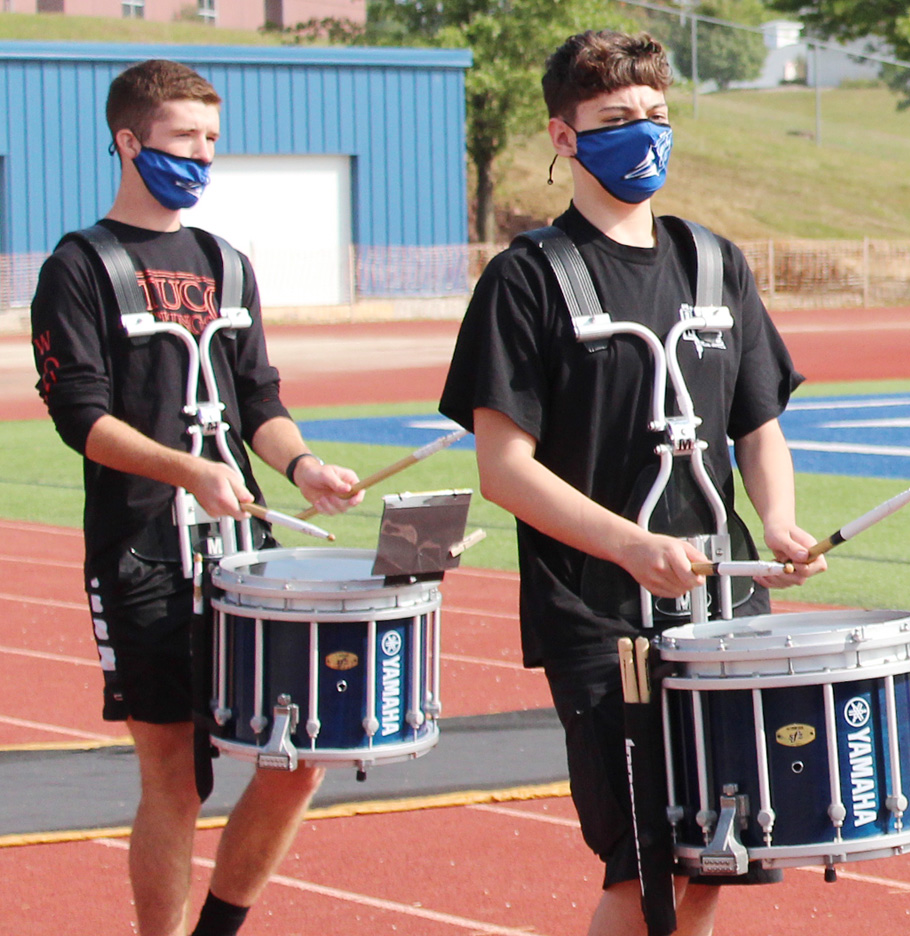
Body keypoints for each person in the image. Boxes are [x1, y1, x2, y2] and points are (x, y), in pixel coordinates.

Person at [439, 30, 827, 936]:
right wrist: (631, 546)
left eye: (656, 116)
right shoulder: (527, 279)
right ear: (565, 137)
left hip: (722, 608)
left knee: (718, 854)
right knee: (642, 871)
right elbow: (503, 471)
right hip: (600, 616)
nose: (644, 135)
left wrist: (778, 521)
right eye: (616, 120)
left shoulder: (715, 263)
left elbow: (759, 425)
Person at [30, 59, 363, 936]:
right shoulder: (81, 265)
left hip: (242, 554)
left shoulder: (227, 263)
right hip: (142, 551)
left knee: (302, 755)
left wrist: (304, 468)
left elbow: (261, 402)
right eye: (184, 139)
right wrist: (186, 470)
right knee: (175, 777)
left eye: (212, 141)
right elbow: (83, 419)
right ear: (129, 141)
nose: (202, 157)